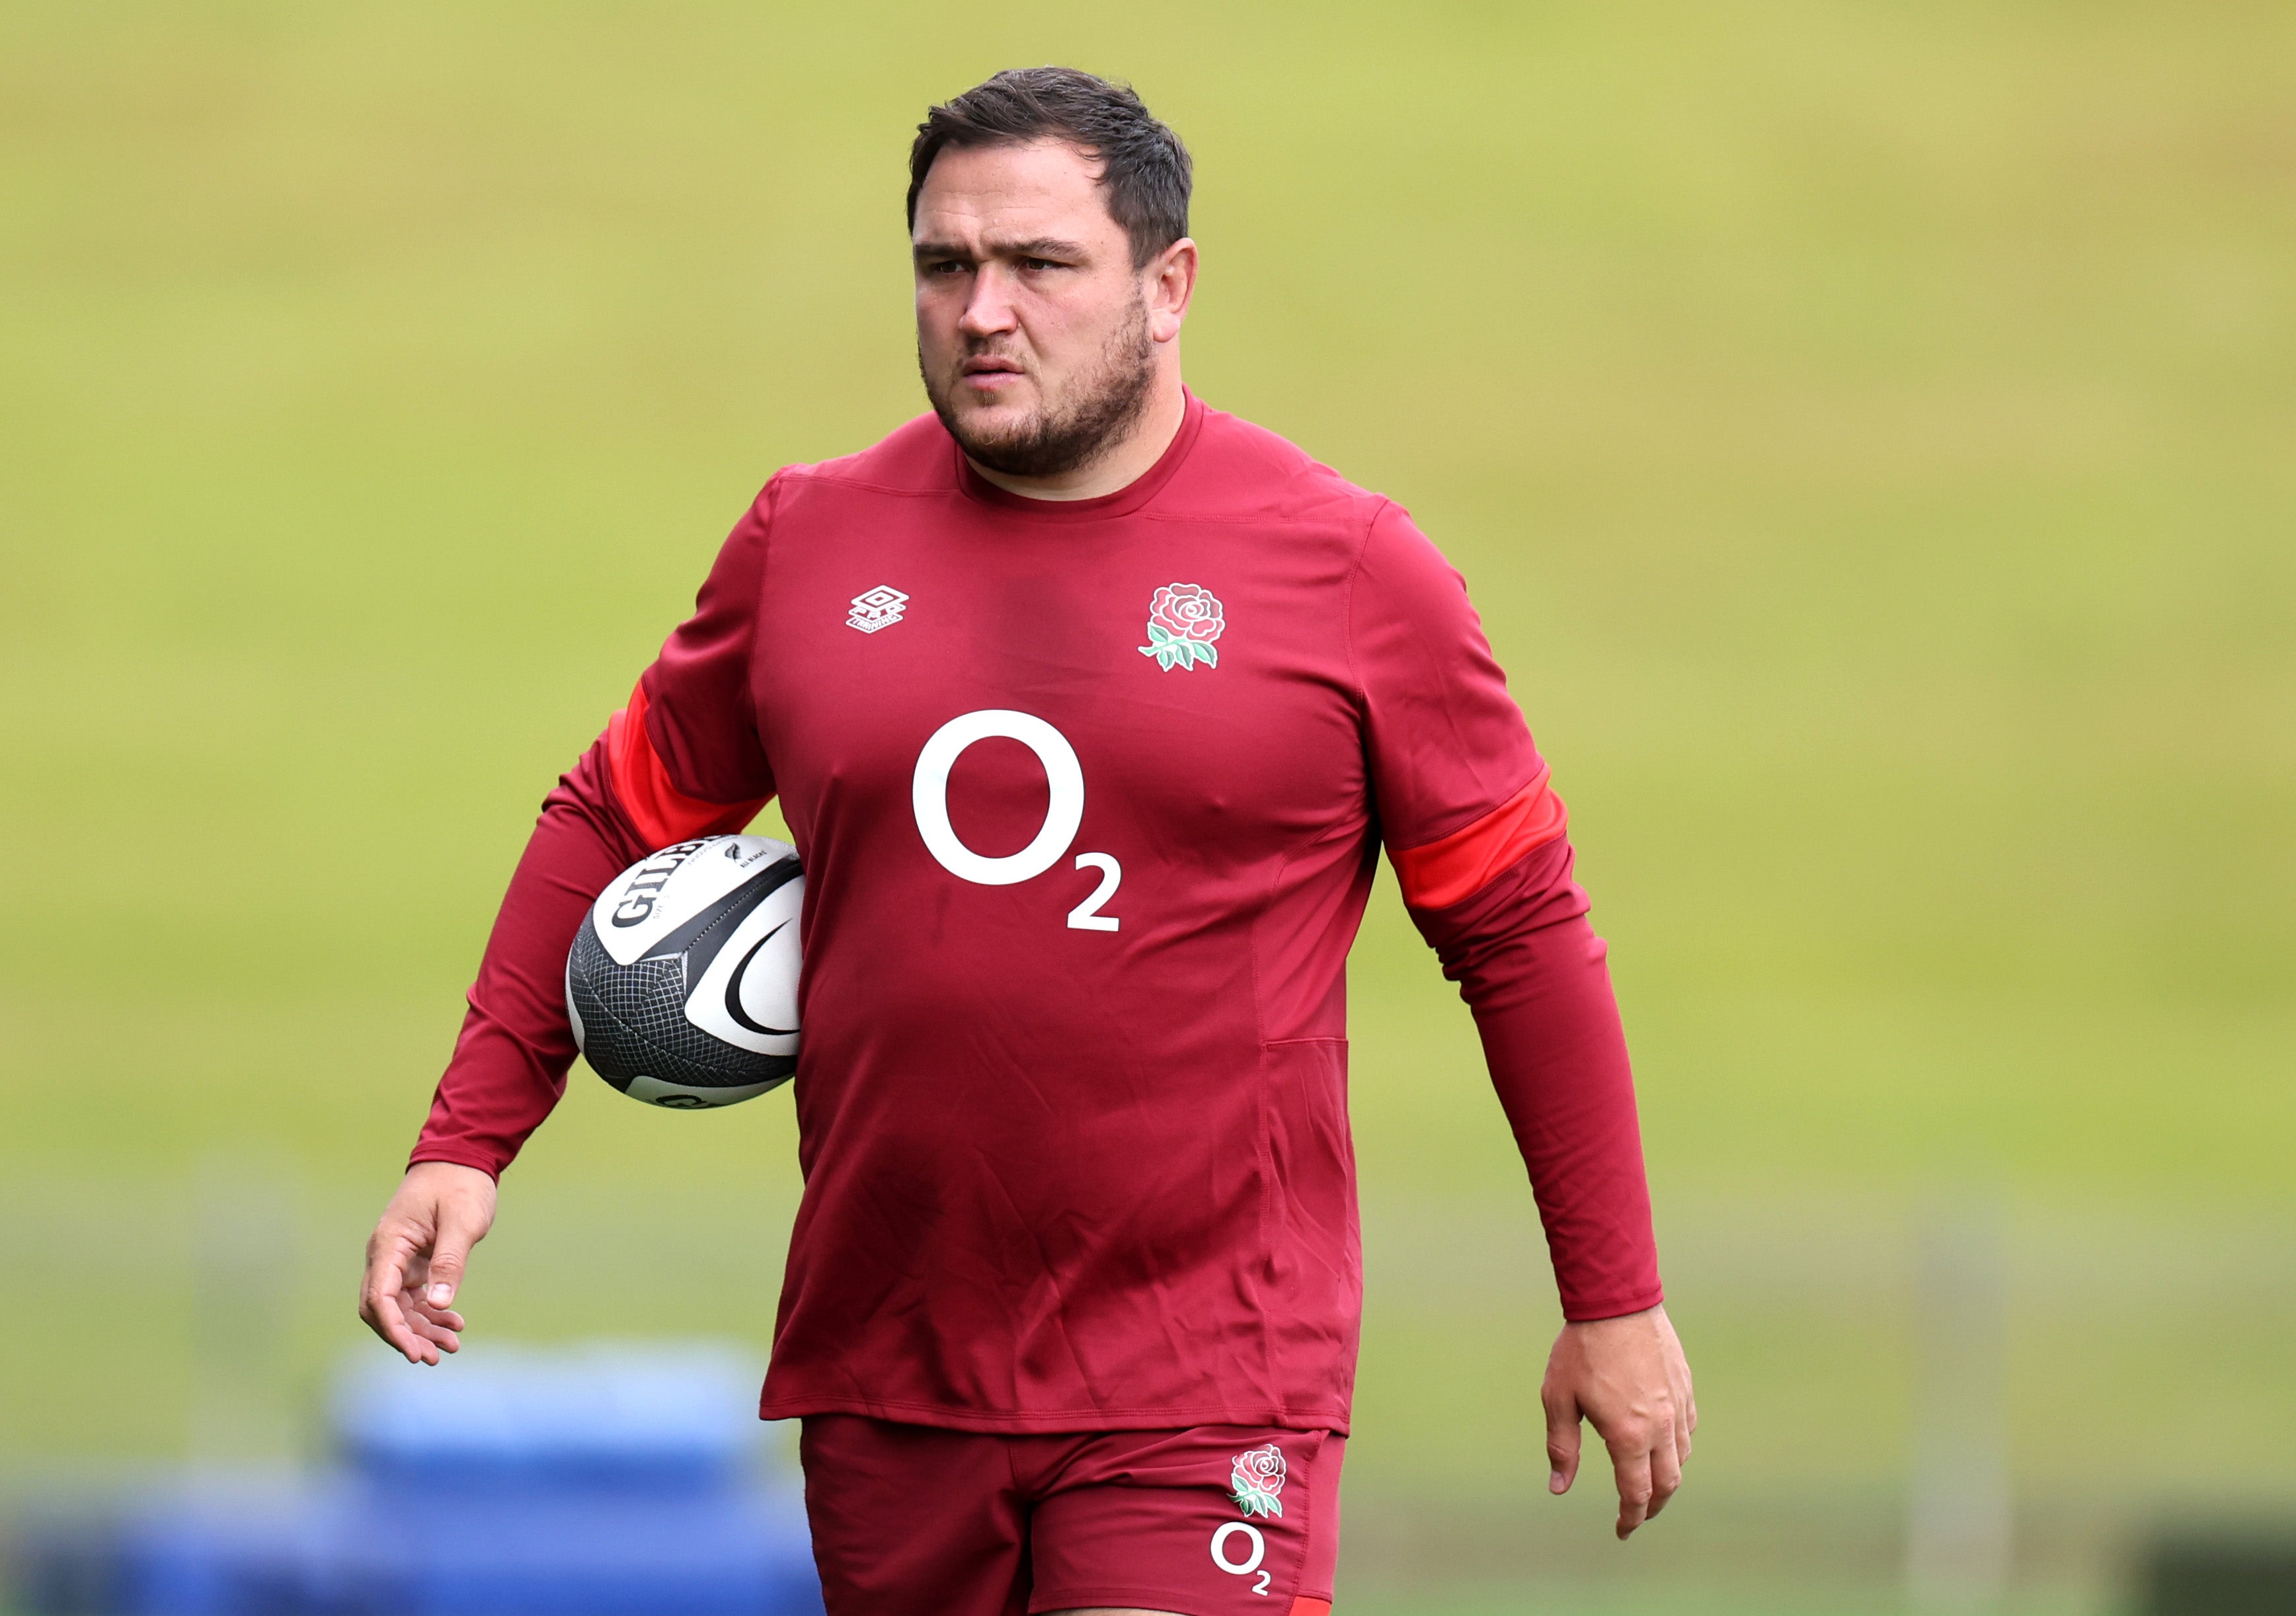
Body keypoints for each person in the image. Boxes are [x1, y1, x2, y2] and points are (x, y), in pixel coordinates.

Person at [358, 65, 1695, 1616]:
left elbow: (1521, 935)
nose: (982, 309)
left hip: (1206, 1375)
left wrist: (1613, 1297)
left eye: (1040, 265)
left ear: (1167, 284)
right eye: (945, 266)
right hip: (886, 1365)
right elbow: (615, 812)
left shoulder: (1348, 571)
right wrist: (466, 1135)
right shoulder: (808, 541)